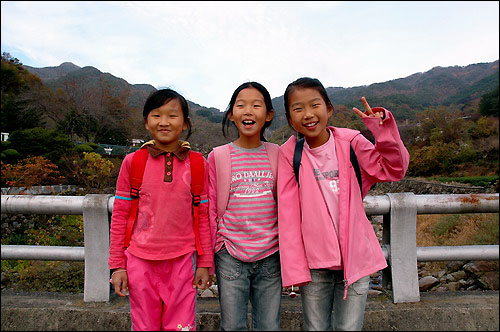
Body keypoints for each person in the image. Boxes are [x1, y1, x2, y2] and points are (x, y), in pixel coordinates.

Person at [277, 77, 410, 331]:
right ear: (289, 117)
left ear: (328, 108)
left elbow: (395, 168)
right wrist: (295, 269)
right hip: (314, 265)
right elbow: (288, 214)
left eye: (315, 105)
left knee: (349, 328)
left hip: (356, 259)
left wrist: (382, 130)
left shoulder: (351, 142)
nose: (308, 114)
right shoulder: (289, 154)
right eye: (298, 109)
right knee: (315, 328)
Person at [108, 88, 213, 331]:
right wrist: (117, 265)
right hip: (139, 261)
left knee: (181, 326)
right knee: (144, 326)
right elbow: (121, 216)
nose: (164, 122)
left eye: (172, 116)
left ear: (185, 123)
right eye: (156, 115)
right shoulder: (133, 162)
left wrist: (205, 262)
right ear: (146, 122)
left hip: (183, 260)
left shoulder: (198, 163)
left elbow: (204, 216)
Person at [207, 82, 282, 330]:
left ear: (268, 115)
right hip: (229, 254)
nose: (247, 110)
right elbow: (208, 207)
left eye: (256, 105)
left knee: (269, 326)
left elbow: (287, 204)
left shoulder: (277, 154)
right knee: (232, 326)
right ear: (231, 114)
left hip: (271, 253)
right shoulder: (218, 156)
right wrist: (212, 252)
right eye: (240, 105)